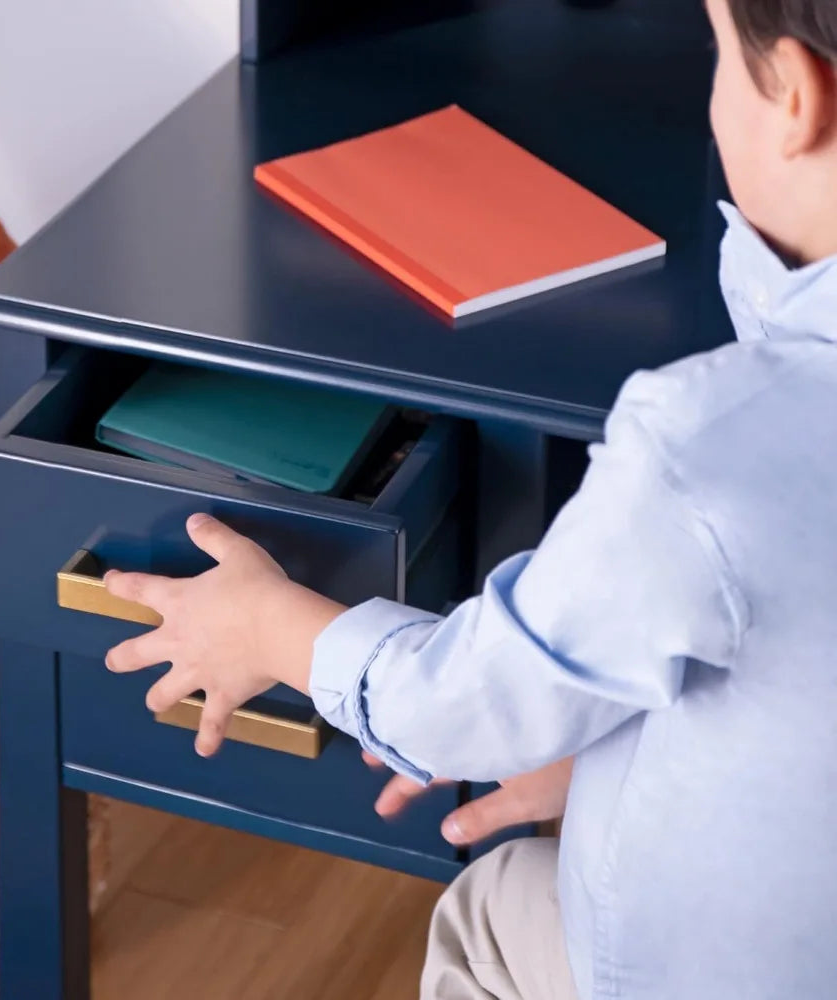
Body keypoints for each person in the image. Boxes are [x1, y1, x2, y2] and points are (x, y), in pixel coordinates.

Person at [102, 0, 837, 996]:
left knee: (489, 909)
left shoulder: (706, 450)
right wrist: (615, 760)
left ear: (793, 96)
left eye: (714, 50)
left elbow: (461, 705)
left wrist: (272, 629)